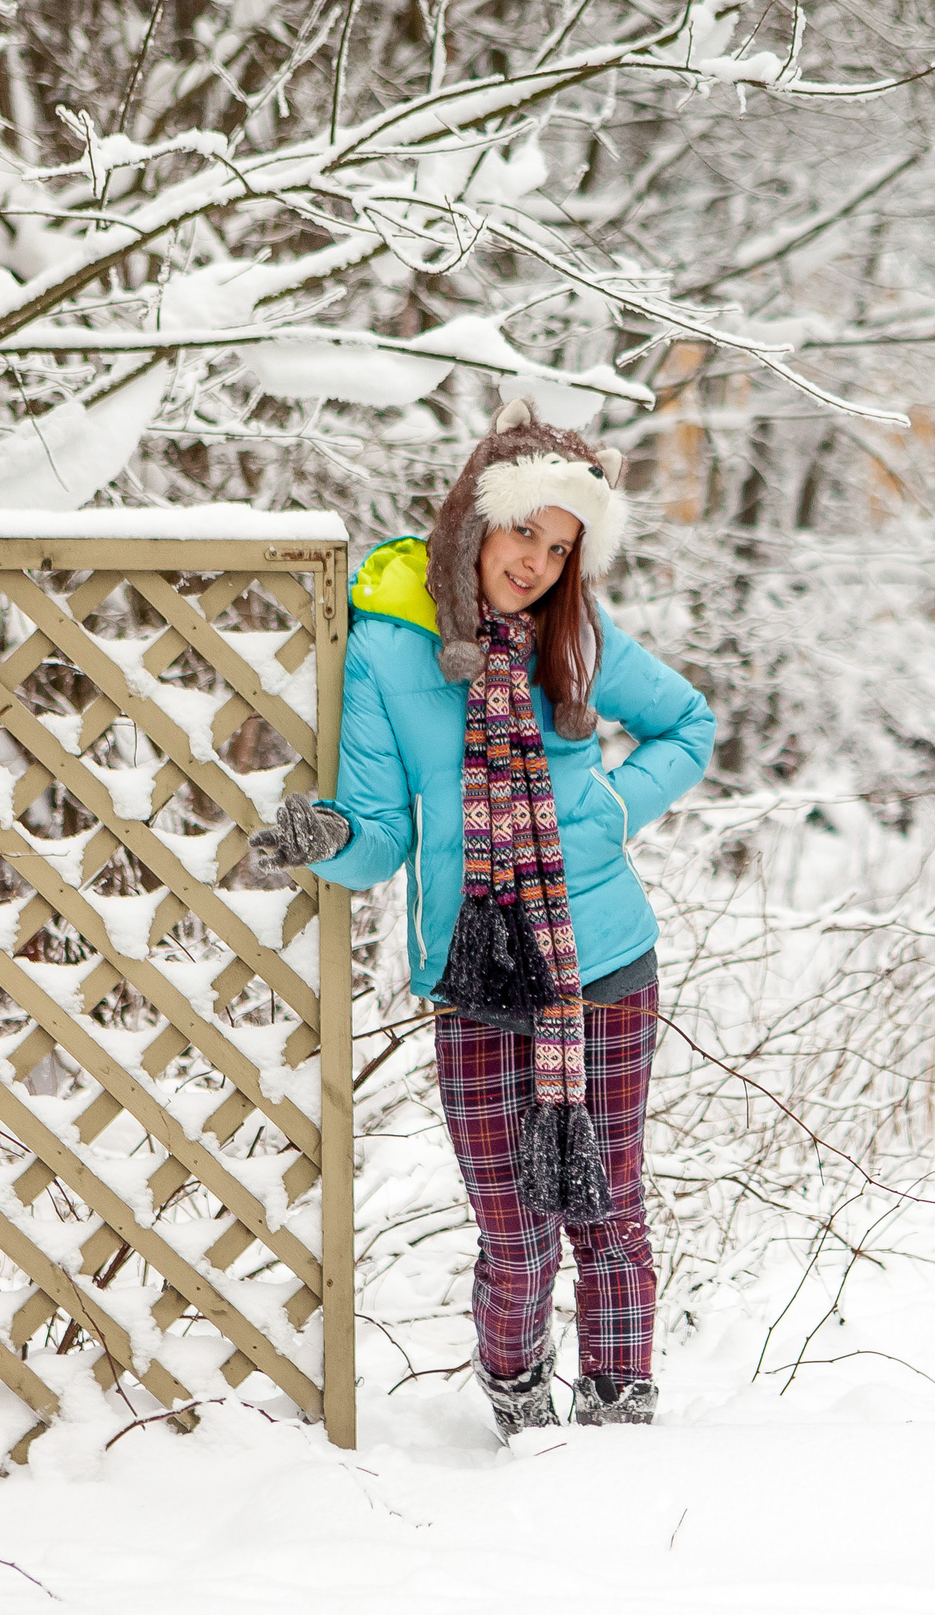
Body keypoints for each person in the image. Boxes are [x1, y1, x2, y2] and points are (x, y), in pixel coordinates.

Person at [249, 397, 715, 1437]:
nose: (538, 565)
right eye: (524, 533)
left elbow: (689, 723)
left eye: (561, 548)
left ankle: (620, 1424)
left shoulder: (578, 640)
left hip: (606, 964)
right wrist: (327, 839)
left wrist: (605, 809)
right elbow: (381, 832)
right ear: (472, 521)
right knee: (514, 1235)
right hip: (477, 975)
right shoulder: (387, 652)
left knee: (609, 1216)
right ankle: (520, 1413)